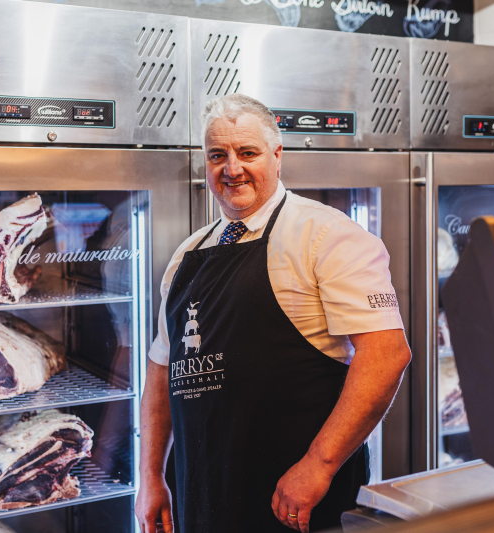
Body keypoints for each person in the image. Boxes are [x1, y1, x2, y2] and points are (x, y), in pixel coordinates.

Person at [135, 94, 411, 533]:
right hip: (201, 498)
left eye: (247, 153)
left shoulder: (327, 235)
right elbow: (162, 372)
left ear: (277, 156)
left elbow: (387, 355)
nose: (232, 169)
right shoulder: (188, 254)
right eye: (217, 156)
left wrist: (318, 466)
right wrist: (149, 475)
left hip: (296, 501)